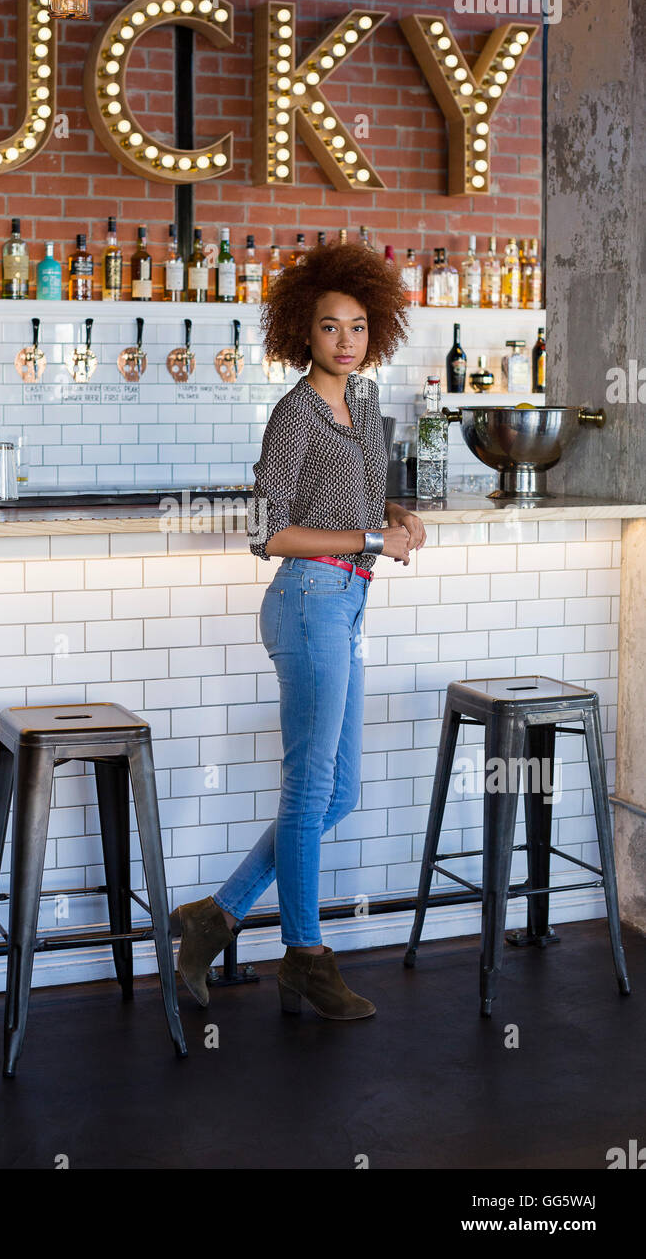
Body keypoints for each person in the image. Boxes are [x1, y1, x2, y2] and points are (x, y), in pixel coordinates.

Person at [169, 241, 427, 1021]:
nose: (344, 340)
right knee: (311, 787)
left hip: (346, 601)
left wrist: (391, 514)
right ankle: (307, 958)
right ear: (302, 334)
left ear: (372, 331)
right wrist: (373, 542)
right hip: (307, 599)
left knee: (338, 790)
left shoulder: (367, 403)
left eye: (356, 326)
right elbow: (270, 531)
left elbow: (354, 498)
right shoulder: (295, 412)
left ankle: (214, 916)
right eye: (328, 327)